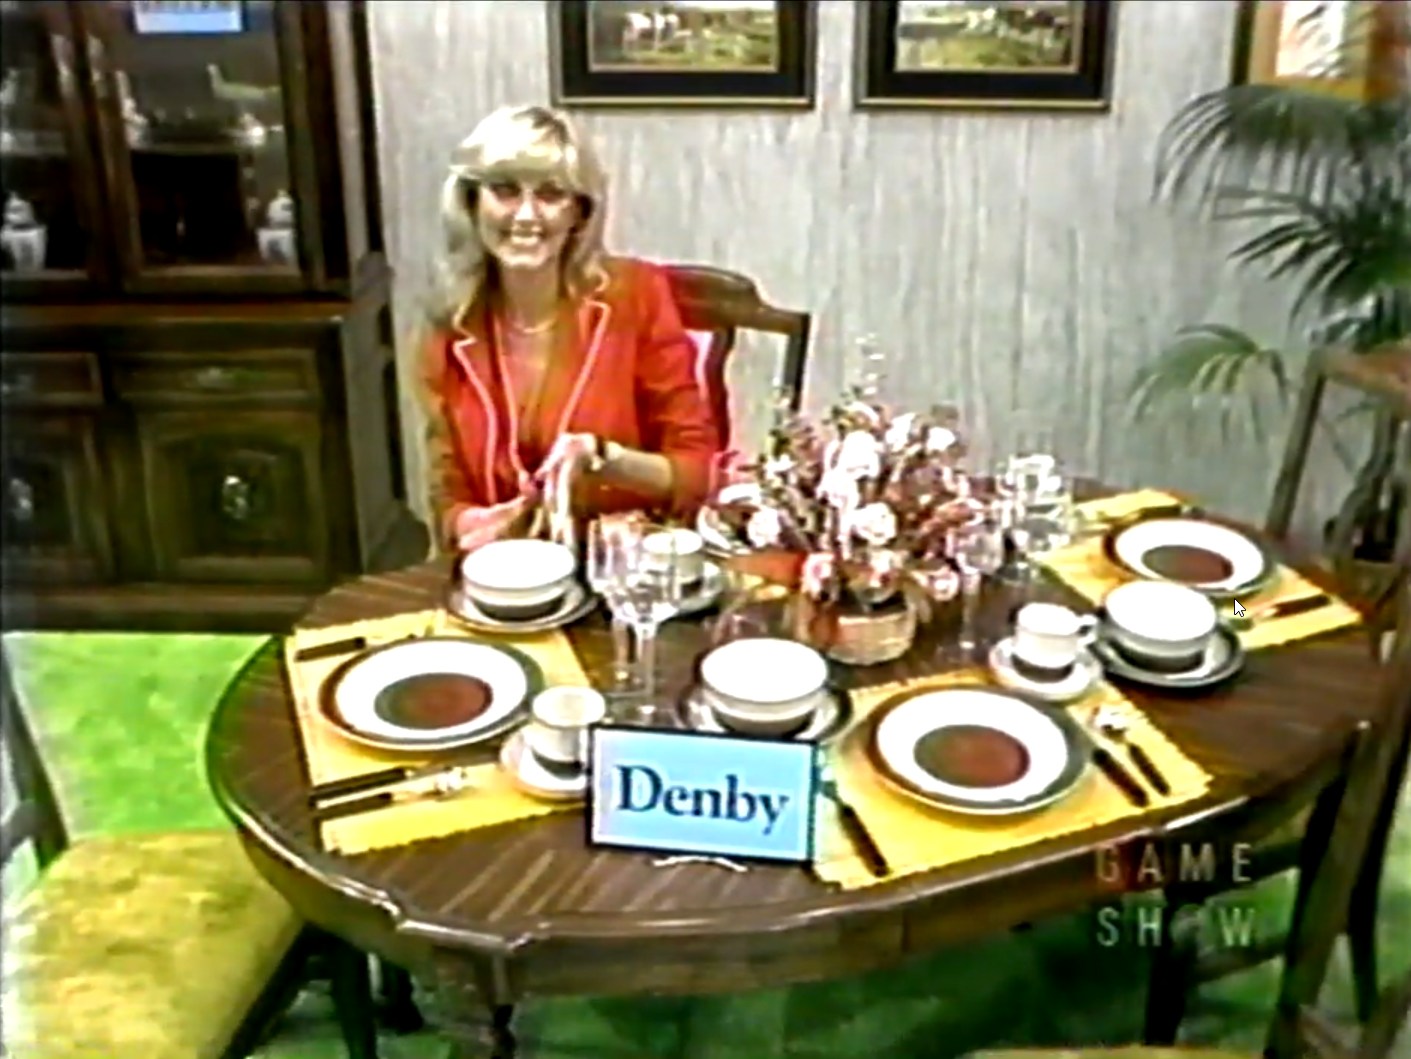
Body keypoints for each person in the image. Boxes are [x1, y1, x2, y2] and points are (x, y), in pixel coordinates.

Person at [416, 104, 720, 553]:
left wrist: (603, 458)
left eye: (550, 194)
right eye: (504, 191)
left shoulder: (637, 296)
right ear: (471, 204)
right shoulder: (450, 328)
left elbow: (697, 471)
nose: (525, 216)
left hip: (620, 568)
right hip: (506, 579)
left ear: (579, 212)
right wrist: (468, 523)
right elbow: (448, 491)